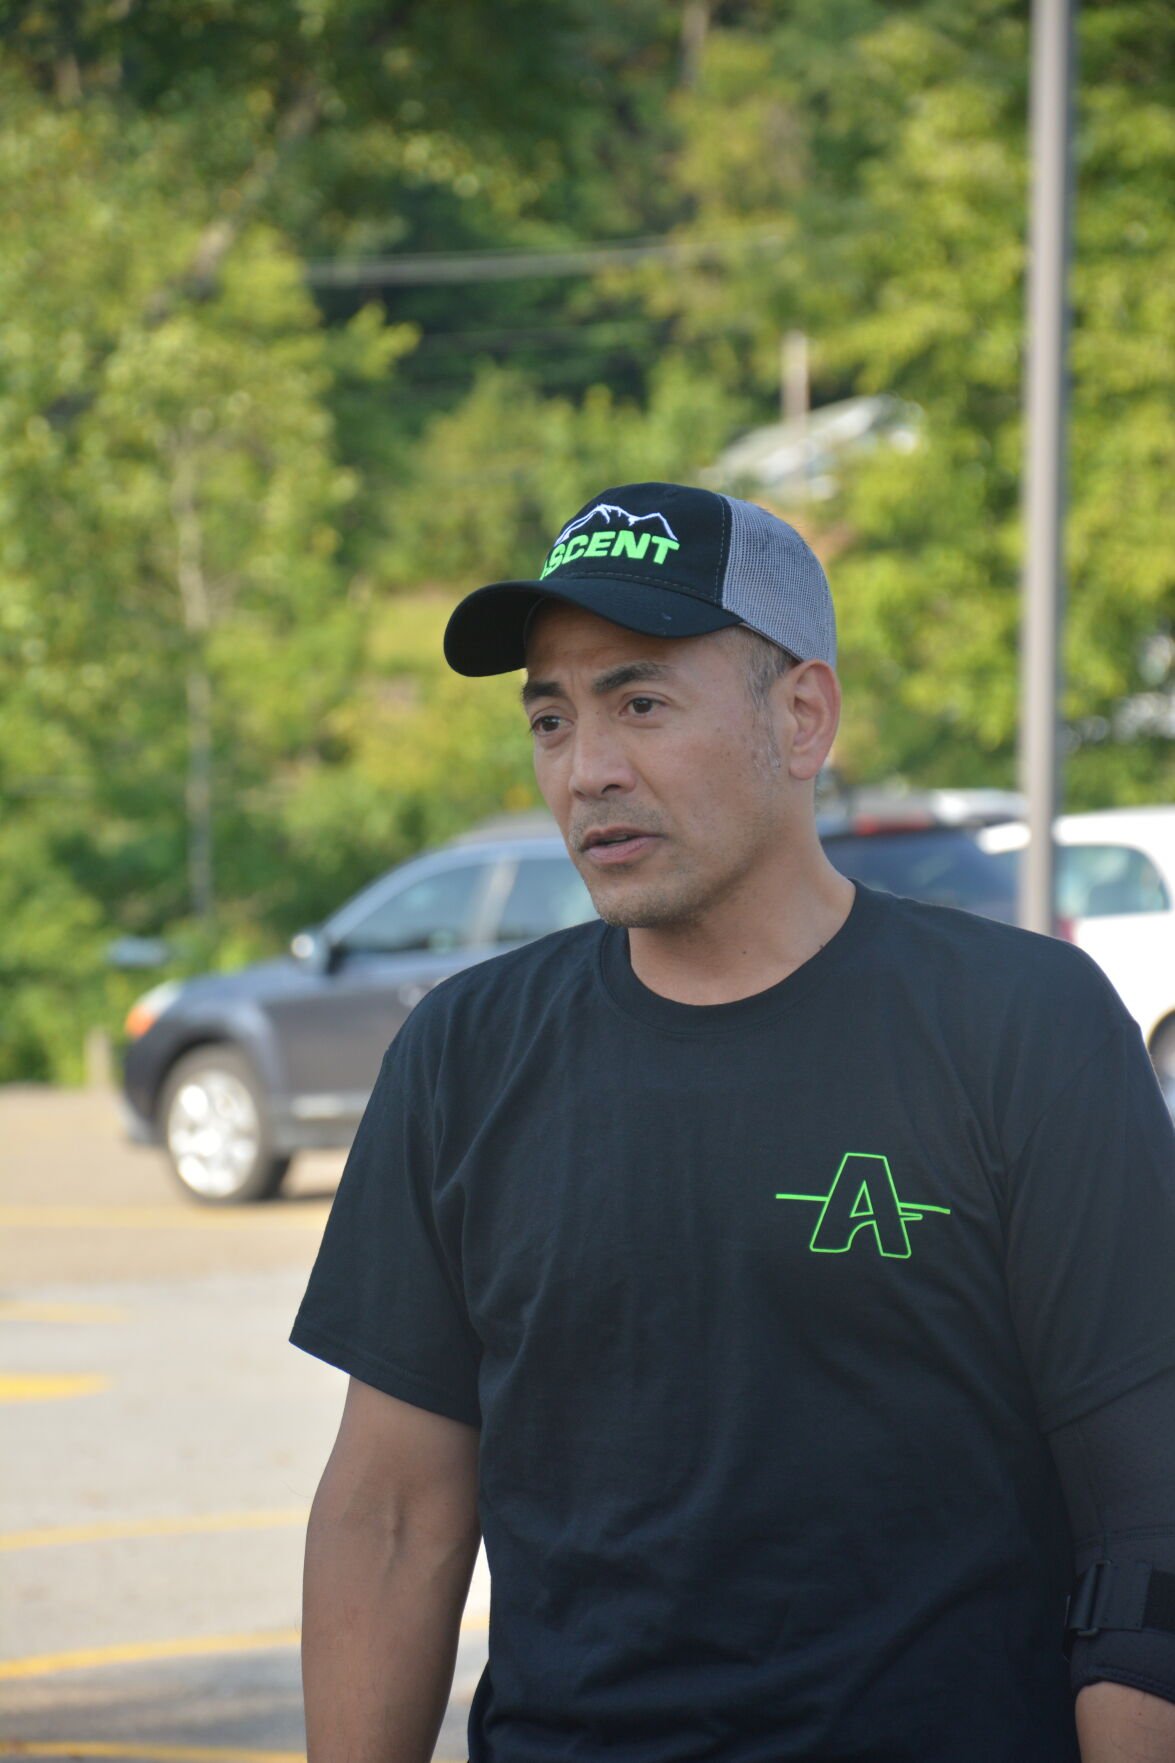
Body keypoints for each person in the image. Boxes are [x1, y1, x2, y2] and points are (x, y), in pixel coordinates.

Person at [292, 482, 1175, 1763]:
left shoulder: (1016, 1024)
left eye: (639, 702)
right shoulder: (464, 1053)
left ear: (800, 714)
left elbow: (1143, 1515)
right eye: (551, 714)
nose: (586, 765)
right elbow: (389, 1514)